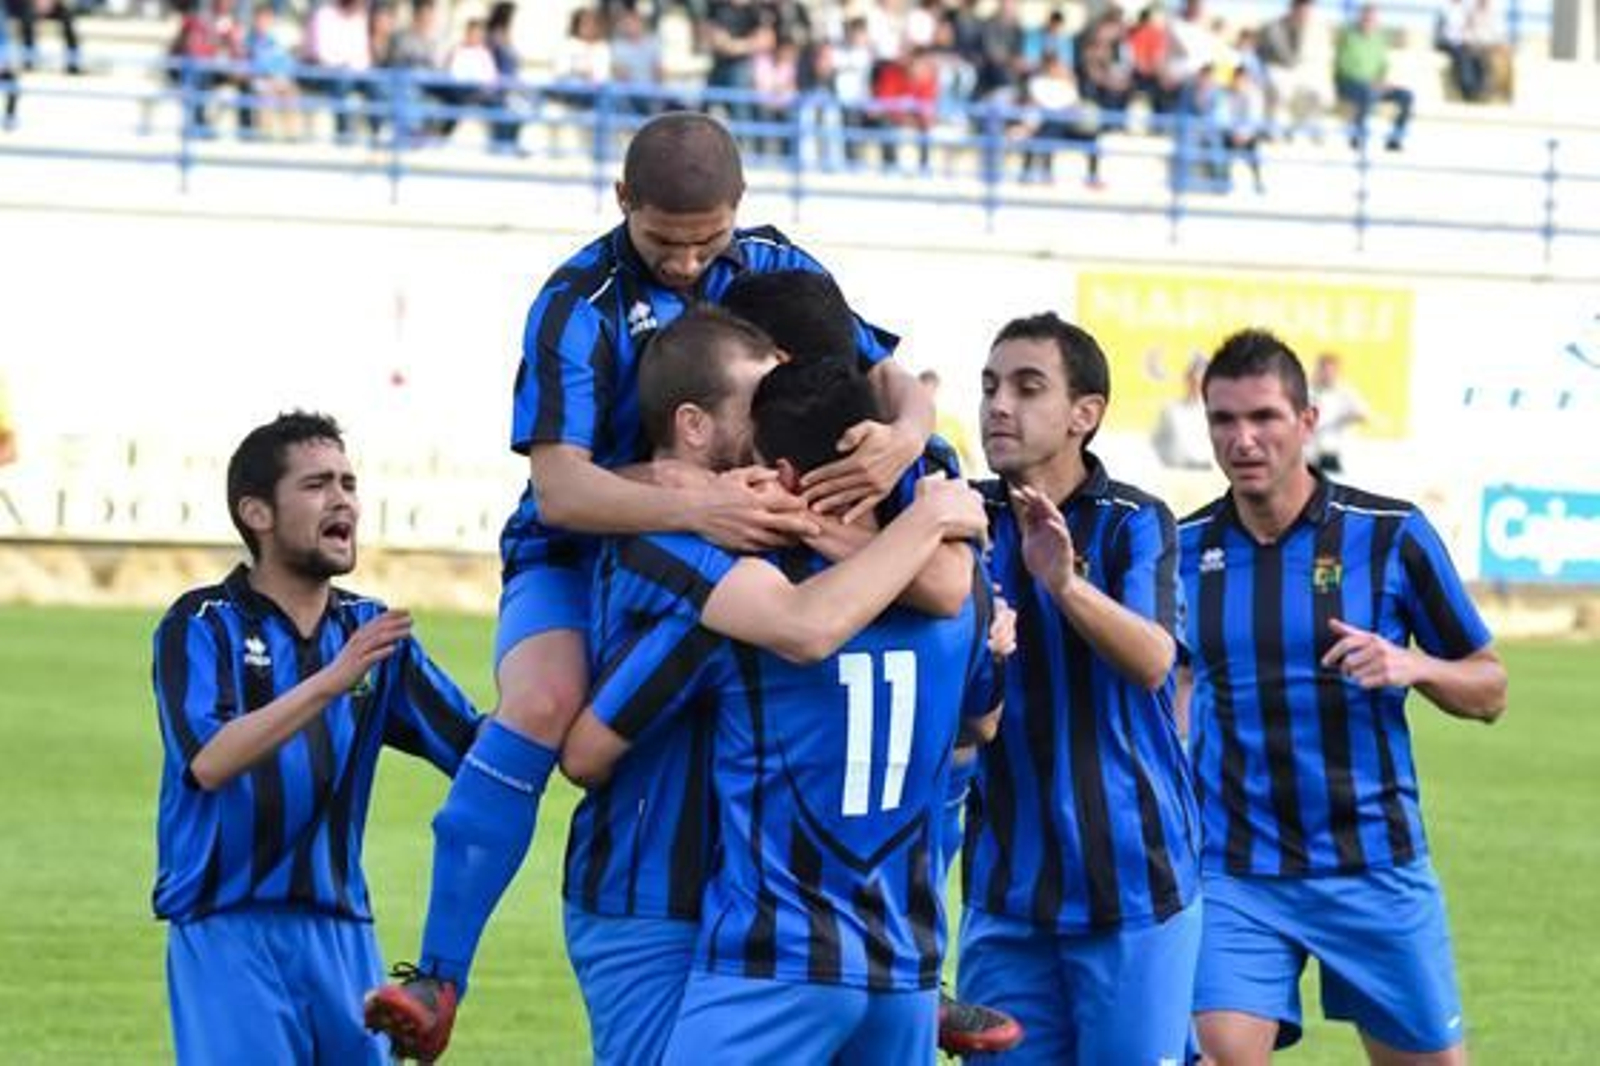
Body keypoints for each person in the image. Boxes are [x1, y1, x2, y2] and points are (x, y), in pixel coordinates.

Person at [363, 110, 934, 1060]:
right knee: (543, 700)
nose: (683, 261)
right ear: (622, 202)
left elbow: (896, 380)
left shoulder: (777, 266)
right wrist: (697, 503)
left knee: (879, 702)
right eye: (663, 241)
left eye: (704, 240)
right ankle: (440, 974)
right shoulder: (573, 303)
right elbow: (562, 486)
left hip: (735, 533)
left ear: (738, 212)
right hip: (589, 547)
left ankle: (908, 966)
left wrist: (904, 441)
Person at [560, 306, 984, 1065]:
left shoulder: (740, 592)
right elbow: (978, 717)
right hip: (880, 959)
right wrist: (925, 521)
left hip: (770, 944)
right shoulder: (958, 590)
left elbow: (587, 751)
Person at [1177, 328, 1507, 1063]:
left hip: (1373, 864)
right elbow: (1179, 678)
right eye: (1224, 420)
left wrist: (1415, 668)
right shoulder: (1187, 549)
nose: (1244, 439)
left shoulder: (1391, 535)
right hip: (1236, 871)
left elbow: (1490, 686)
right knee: (1217, 1054)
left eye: (1263, 417)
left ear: (1306, 422)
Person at [151, 411, 483, 1064]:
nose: (343, 500)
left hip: (343, 937)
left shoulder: (368, 632)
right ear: (258, 513)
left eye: (349, 484)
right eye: (317, 485)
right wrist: (334, 679)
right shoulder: (201, 624)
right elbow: (211, 762)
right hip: (227, 930)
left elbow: (479, 755)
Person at [958, 313, 1202, 1063]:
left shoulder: (1135, 521)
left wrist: (1061, 583)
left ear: (1084, 414)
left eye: (1029, 388)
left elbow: (1154, 658)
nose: (1000, 404)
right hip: (1005, 891)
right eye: (991, 386)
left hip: (1132, 884)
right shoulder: (958, 517)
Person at [1334, 4, 1414, 151]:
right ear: (1360, 18)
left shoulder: (1379, 38)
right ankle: (1357, 137)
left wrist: (1383, 81)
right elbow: (1344, 67)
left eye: (1372, 19)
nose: (1369, 21)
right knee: (1366, 91)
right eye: (1366, 18)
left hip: (1373, 85)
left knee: (1406, 96)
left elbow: (1383, 66)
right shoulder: (1349, 36)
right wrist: (1371, 82)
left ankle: (1394, 139)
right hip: (1349, 84)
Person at [1309, 350, 1369, 475]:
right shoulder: (1308, 389)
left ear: (1337, 372)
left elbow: (1363, 414)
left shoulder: (1345, 392)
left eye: (1331, 371)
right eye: (1324, 370)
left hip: (1332, 452)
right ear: (1318, 369)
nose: (1327, 374)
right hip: (1309, 453)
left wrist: (1347, 417)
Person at [1153, 352, 1214, 470]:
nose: (1196, 385)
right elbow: (1156, 442)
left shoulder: (1216, 412)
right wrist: (1167, 462)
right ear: (1187, 379)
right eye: (1193, 379)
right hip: (1177, 473)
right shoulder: (1171, 410)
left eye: (1201, 380)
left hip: (1208, 474)